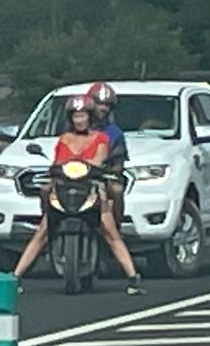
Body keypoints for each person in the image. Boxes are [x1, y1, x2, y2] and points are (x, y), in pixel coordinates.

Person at [12, 94, 144, 295]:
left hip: (91, 187)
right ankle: (15, 277)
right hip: (64, 187)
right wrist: (55, 170)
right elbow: (57, 162)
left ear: (90, 117)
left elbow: (99, 160)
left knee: (109, 230)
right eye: (75, 116)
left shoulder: (102, 138)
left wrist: (97, 168)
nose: (79, 120)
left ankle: (133, 277)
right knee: (43, 229)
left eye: (82, 115)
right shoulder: (64, 139)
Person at [88, 81, 127, 226]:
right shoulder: (73, 128)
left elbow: (118, 164)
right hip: (74, 177)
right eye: (98, 103)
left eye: (107, 105)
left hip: (103, 178)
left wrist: (105, 170)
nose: (103, 108)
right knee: (46, 189)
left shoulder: (115, 134)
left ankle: (115, 227)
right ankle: (50, 226)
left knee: (117, 191)